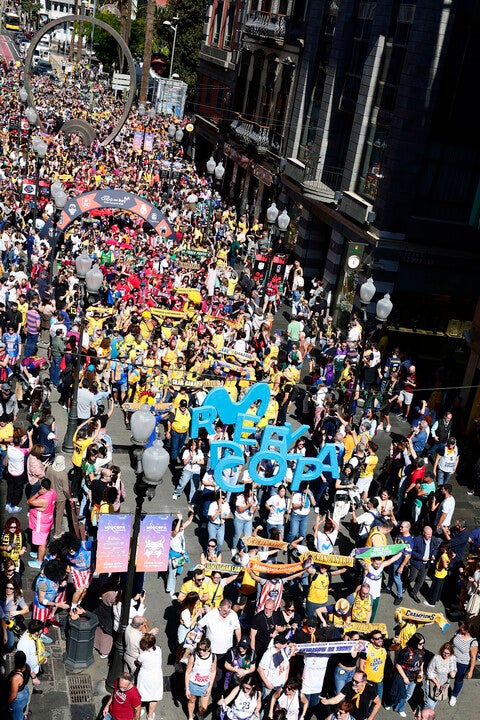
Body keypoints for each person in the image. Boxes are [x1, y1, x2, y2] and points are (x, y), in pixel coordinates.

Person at [385, 633, 426, 716]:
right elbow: (398, 664)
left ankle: (400, 708)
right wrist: (404, 678)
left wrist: (421, 671)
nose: (422, 645)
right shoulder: (406, 652)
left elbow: (421, 662)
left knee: (408, 695)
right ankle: (389, 703)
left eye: (423, 643)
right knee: (397, 693)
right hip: (404, 676)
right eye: (420, 643)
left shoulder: (422, 651)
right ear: (415, 642)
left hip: (414, 677)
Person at [27, 477, 56, 569]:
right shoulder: (52, 492)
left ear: (43, 488)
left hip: (41, 524)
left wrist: (38, 493)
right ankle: (39, 554)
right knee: (44, 540)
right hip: (48, 520)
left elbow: (29, 501)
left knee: (42, 543)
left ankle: (39, 561)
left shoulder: (43, 500)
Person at [185, 638, 217, 720]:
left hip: (205, 685)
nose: (201, 651)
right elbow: (188, 672)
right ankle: (191, 717)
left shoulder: (213, 657)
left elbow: (213, 672)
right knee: (192, 700)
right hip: (193, 683)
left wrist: (210, 687)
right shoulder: (194, 656)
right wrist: (187, 688)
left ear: (208, 649)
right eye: (199, 649)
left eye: (203, 650)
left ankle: (199, 714)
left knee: (204, 707)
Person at [449, 621, 478, 707]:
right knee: (446, 674)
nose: (460, 627)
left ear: (466, 631)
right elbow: (451, 641)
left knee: (458, 680)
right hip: (452, 659)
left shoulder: (473, 642)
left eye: (462, 627)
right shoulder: (458, 632)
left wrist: (471, 671)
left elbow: (473, 658)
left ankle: (454, 695)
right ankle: (444, 689)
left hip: (462, 664)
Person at [135, 633, 163, 720]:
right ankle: (150, 716)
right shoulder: (158, 649)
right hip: (156, 675)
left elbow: (138, 663)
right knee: (154, 697)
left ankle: (138, 712)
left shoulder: (143, 655)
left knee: (140, 696)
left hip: (145, 677)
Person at [424, 641, 456, 709]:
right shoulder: (436, 658)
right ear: (442, 650)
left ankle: (426, 715)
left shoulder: (452, 658)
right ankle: (425, 716)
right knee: (430, 704)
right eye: (444, 652)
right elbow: (429, 672)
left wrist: (453, 672)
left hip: (443, 685)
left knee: (435, 701)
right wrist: (437, 683)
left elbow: (454, 668)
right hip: (432, 683)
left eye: (448, 653)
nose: (446, 655)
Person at [16, 620, 45, 696]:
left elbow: (38, 645)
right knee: (27, 690)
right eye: (39, 633)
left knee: (31, 685)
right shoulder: (24, 644)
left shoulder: (32, 634)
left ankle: (32, 689)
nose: (40, 635)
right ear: (35, 632)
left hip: (36, 666)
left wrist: (43, 657)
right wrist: (34, 677)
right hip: (28, 673)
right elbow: (27, 664)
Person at [6, 650, 30, 720]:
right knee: (20, 711)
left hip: (18, 698)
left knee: (16, 716)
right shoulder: (28, 667)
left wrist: (6, 704)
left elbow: (13, 695)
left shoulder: (16, 678)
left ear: (15, 661)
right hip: (25, 690)